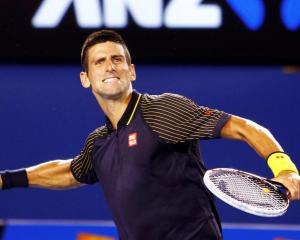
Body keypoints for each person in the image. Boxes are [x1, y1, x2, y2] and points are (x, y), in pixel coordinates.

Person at [1, 30, 300, 240]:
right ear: (85, 78)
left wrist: (285, 170)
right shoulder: (99, 143)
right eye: (99, 61)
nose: (110, 66)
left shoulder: (162, 111)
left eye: (118, 59)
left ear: (132, 71)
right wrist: (7, 179)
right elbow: (71, 171)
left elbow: (244, 127)